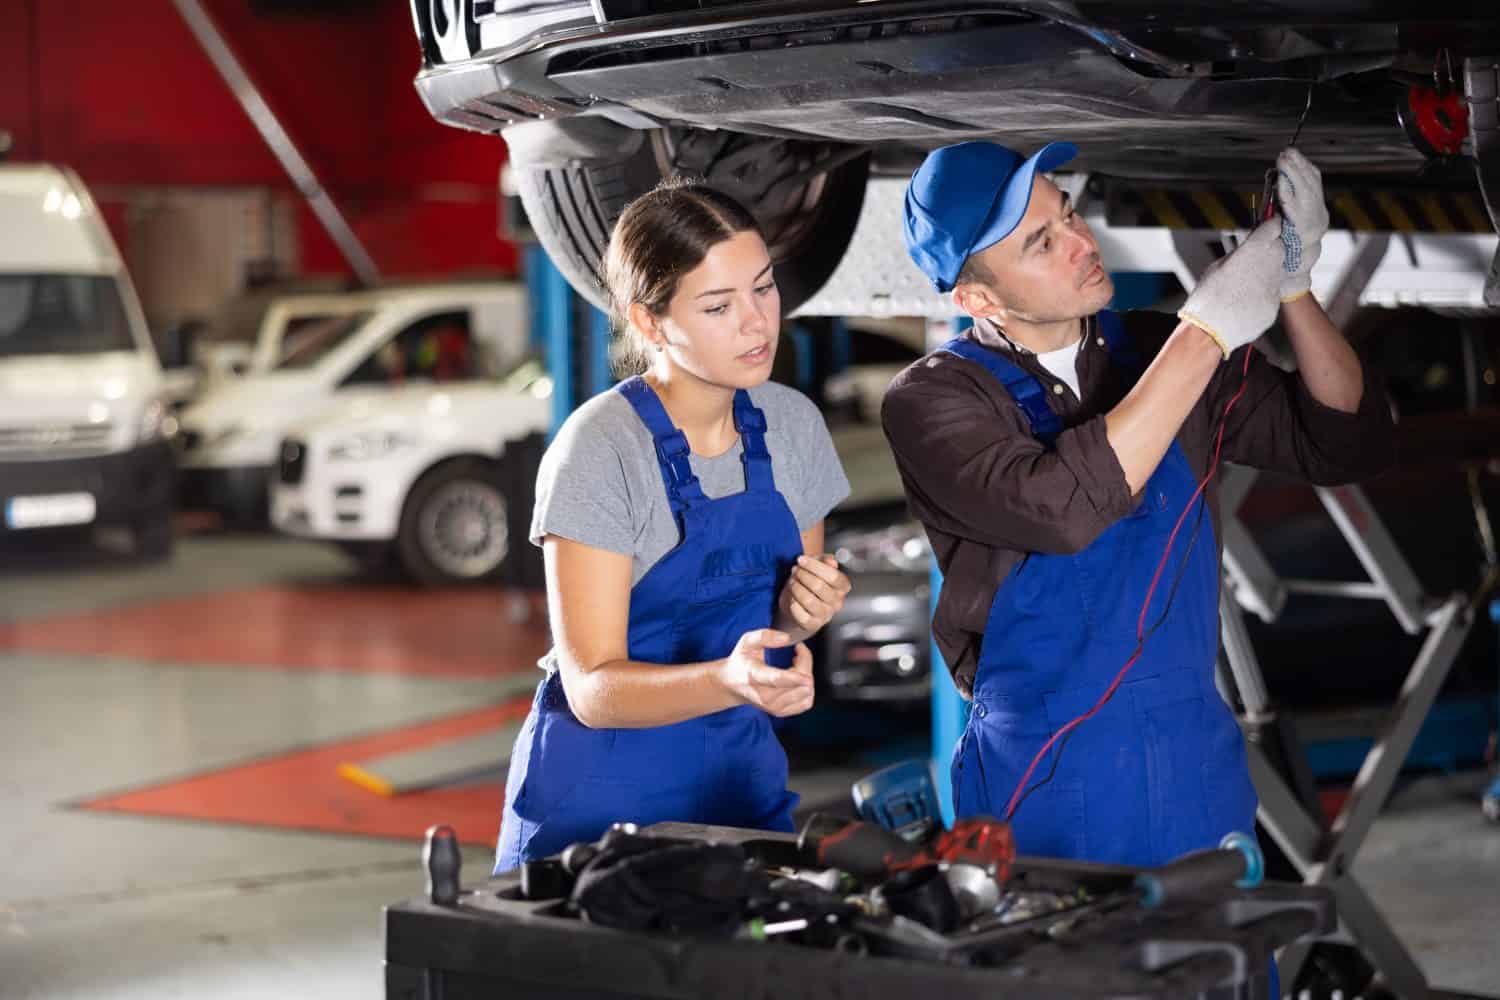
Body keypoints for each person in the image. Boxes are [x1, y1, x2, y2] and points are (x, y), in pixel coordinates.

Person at [884, 140, 1396, 868]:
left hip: (1196, 756)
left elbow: (1344, 443)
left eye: (1069, 215)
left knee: (1233, 973)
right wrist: (1205, 332)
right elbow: (1062, 510)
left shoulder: (1149, 349)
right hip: (1046, 774)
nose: (1081, 243)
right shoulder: (936, 401)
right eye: (1041, 242)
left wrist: (1291, 283)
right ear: (978, 300)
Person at [496, 180, 853, 872]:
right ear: (652, 323)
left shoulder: (792, 426)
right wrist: (731, 679)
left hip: (738, 788)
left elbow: (782, 629)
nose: (757, 323)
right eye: (719, 306)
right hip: (595, 816)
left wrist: (801, 620)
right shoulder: (601, 449)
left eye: (764, 288)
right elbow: (592, 690)